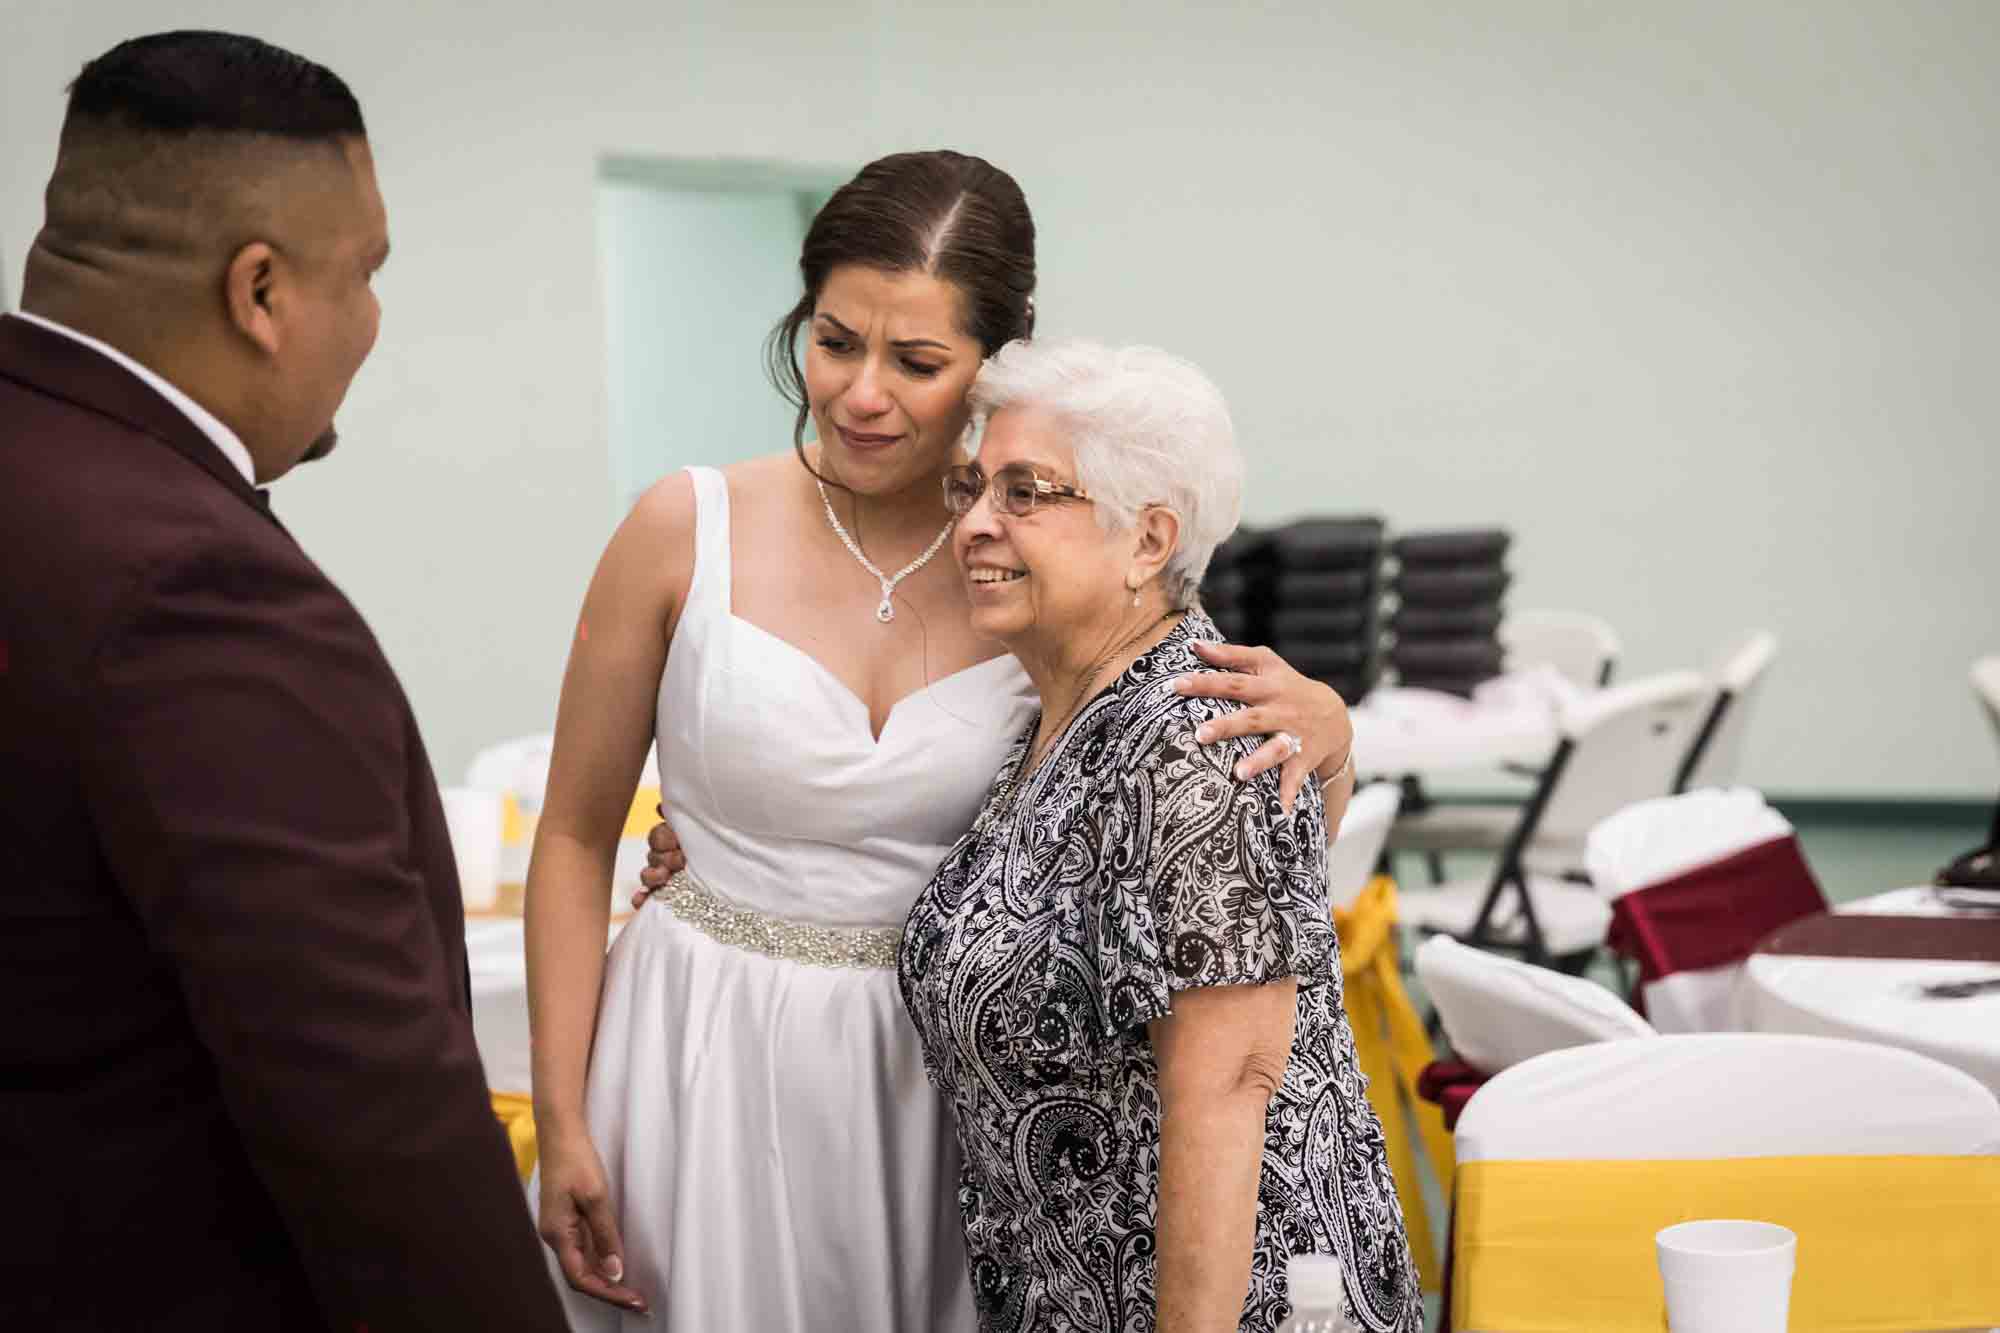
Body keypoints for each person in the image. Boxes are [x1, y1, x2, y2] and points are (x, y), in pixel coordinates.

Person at [528, 149, 1356, 1329]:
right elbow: (568, 830)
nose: (861, 393)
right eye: (832, 340)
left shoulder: (1034, 567)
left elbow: (1184, 766)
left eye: (916, 362)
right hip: (696, 1050)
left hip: (948, 1081)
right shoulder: (681, 527)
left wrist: (1331, 732)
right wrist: (562, 1112)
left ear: (992, 359)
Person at [0, 32, 567, 1331]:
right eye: (366, 272)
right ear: (260, 291)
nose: (372, 317)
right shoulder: (196, 594)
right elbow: (369, 1108)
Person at [898, 338, 1420, 1333]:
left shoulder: (1197, 734)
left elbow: (1226, 1091)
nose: (973, 523)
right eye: (972, 487)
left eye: (1023, 492)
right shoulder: (1057, 713)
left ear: (1147, 540)